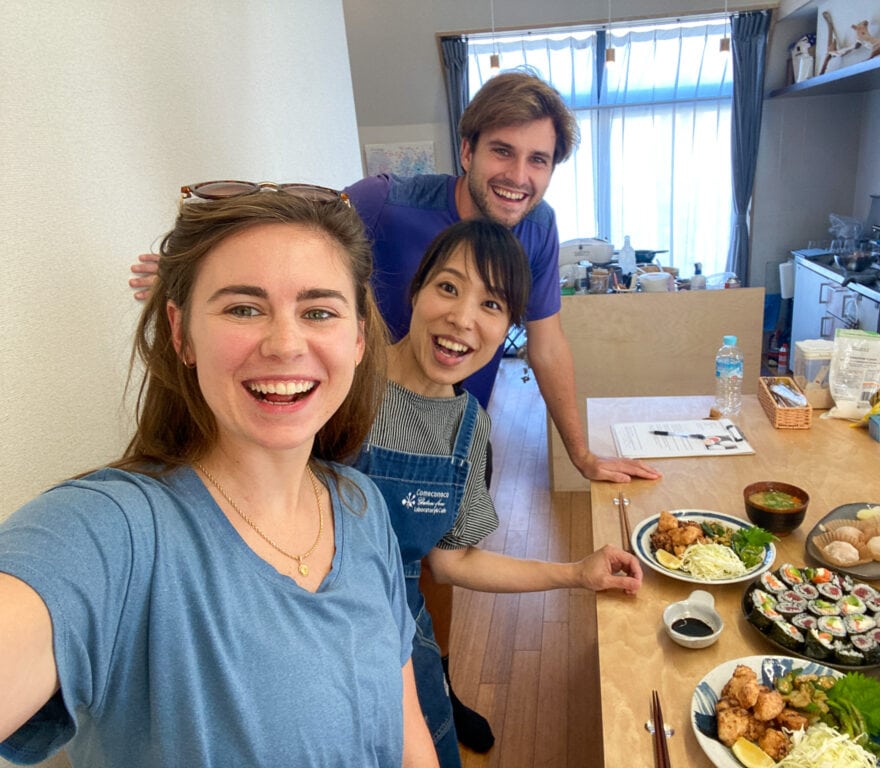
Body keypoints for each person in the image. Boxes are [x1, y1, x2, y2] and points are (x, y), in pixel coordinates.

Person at [127, 70, 661, 750]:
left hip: (445, 425)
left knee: (419, 574)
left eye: (539, 160)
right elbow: (291, 231)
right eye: (503, 150)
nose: (518, 175)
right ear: (466, 150)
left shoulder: (537, 237)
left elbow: (549, 346)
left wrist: (582, 456)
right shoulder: (386, 205)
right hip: (356, 407)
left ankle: (436, 678)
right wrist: (193, 273)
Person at [0, 183, 439, 768]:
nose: (285, 344)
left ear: (358, 338)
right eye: (243, 308)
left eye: (318, 311)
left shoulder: (359, 504)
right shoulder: (115, 531)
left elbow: (406, 730)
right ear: (181, 334)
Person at [356, 218, 642, 766]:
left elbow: (454, 560)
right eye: (448, 287)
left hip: (399, 638)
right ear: (416, 290)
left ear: (511, 324)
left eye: (492, 305)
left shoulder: (468, 428)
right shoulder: (342, 380)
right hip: (307, 636)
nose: (462, 319)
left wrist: (576, 573)